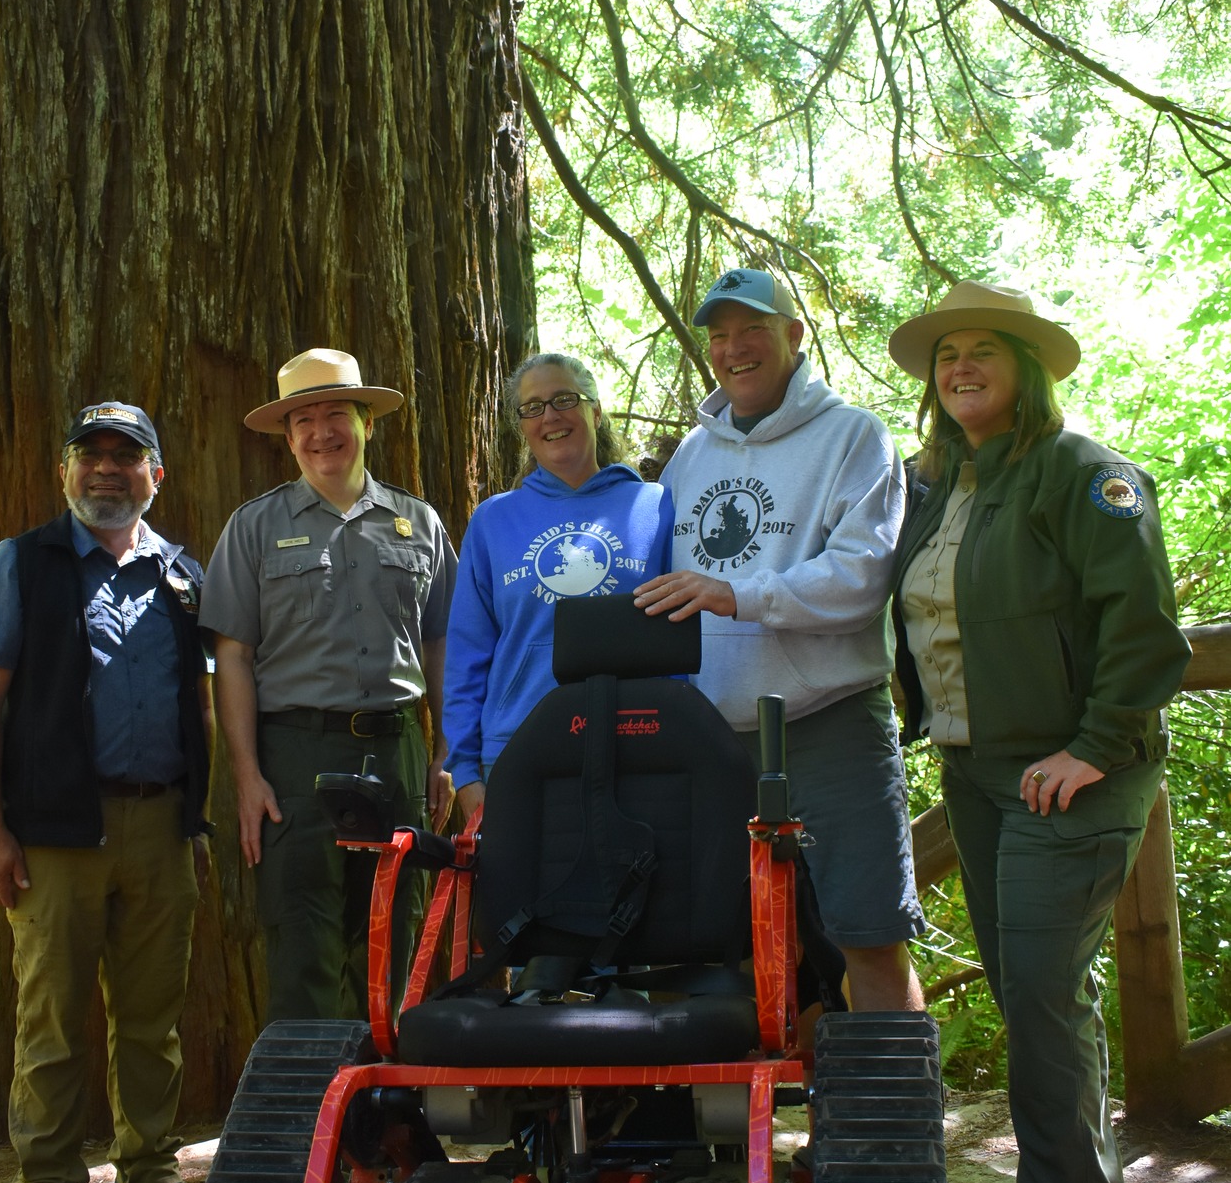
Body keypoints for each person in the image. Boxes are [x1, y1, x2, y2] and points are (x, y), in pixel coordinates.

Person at [887, 280, 1190, 1183]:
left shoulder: (1083, 474)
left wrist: (1095, 746)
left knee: (1043, 996)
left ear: (1028, 364)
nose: (959, 366)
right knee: (1039, 991)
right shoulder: (939, 483)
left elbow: (1149, 631)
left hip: (1074, 770)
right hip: (975, 768)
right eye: (945, 354)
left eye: (982, 349)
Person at [0, 402, 213, 1183]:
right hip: (56, 835)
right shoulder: (20, 565)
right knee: (54, 1023)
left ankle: (146, 1174)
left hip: (161, 826)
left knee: (151, 1017)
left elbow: (208, 702)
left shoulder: (183, 573)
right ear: (64, 470)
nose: (107, 470)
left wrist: (196, 816)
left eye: (126, 456)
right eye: (90, 455)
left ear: (156, 474)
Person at [635, 268, 926, 1015]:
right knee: (730, 945)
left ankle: (893, 1127)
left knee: (867, 935)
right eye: (719, 336)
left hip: (829, 725)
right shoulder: (692, 456)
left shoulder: (853, 437)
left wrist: (739, 594)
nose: (733, 349)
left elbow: (862, 577)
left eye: (752, 331)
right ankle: (778, 1129)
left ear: (792, 337)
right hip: (716, 740)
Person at [201, 349, 456, 1023]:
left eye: (335, 414)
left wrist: (447, 751)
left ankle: (390, 1117)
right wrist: (246, 774)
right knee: (303, 937)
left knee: (393, 932)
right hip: (296, 754)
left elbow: (442, 644)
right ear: (287, 438)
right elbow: (231, 656)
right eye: (303, 420)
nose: (321, 433)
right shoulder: (254, 527)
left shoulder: (419, 524)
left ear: (366, 422)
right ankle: (311, 1112)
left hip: (397, 748)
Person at [444, 353, 674, 823]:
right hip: (517, 749)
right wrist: (465, 772)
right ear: (522, 426)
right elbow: (467, 653)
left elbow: (683, 638)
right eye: (533, 407)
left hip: (639, 743)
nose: (549, 415)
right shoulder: (493, 520)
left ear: (595, 410)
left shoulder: (657, 507)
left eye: (564, 399)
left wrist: (676, 737)